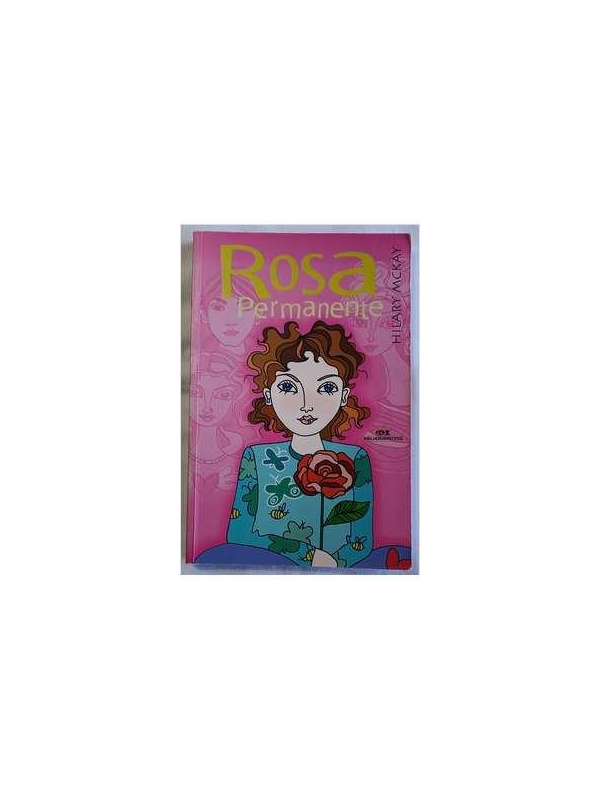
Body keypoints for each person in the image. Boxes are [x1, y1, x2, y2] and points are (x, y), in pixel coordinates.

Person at [195, 320, 410, 569]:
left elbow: (360, 541)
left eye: (326, 388)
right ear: (268, 395)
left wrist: (334, 566)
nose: (307, 404)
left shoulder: (355, 458)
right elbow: (239, 534)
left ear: (343, 396)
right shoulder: (256, 457)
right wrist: (307, 555)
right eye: (288, 387)